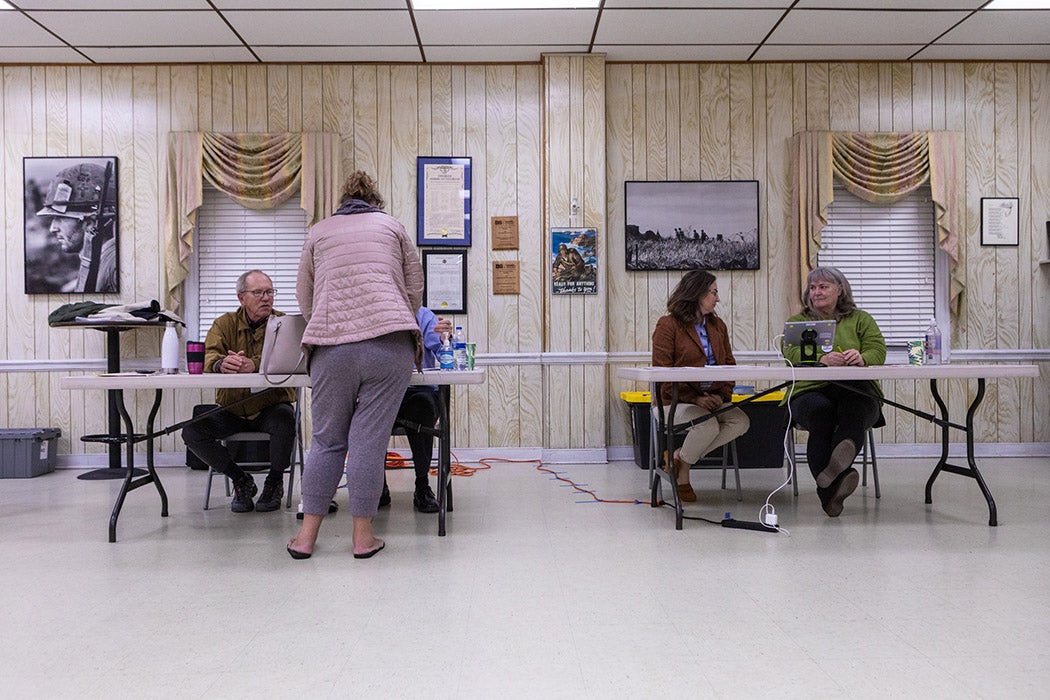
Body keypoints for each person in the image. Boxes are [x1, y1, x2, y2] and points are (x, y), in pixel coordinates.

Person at [287, 170, 424, 560]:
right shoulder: (393, 227)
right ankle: (363, 539)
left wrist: (330, 325)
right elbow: (414, 287)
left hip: (334, 348)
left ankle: (305, 538)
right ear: (374, 200)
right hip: (389, 344)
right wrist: (396, 317)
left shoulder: (319, 232)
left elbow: (305, 295)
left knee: (327, 442)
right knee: (368, 443)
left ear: (341, 201)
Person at [183, 270, 297, 513]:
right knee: (192, 431)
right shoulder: (224, 324)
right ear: (241, 298)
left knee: (285, 420)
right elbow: (208, 356)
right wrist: (220, 364)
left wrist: (254, 365)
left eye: (269, 292)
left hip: (270, 407)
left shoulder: (285, 324)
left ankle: (274, 482)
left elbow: (293, 360)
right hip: (232, 409)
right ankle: (240, 479)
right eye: (258, 292)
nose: (266, 298)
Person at [782, 266, 886, 517]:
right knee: (821, 414)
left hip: (855, 389)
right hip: (809, 390)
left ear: (840, 290)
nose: (816, 292)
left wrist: (861, 357)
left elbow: (878, 351)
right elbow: (790, 354)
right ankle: (838, 473)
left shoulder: (861, 319)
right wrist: (821, 359)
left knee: (854, 407)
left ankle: (831, 481)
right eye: (813, 287)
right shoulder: (798, 323)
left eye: (823, 286)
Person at [652, 270, 750, 502]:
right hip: (673, 402)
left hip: (711, 398)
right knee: (707, 426)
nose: (718, 298)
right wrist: (696, 399)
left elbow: (728, 365)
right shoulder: (668, 325)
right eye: (714, 292)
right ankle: (683, 472)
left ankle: (679, 459)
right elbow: (662, 374)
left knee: (741, 421)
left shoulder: (718, 326)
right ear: (697, 293)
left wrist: (720, 395)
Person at [379, 307, 452, 514]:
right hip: (384, 391)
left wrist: (444, 338)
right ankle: (377, 485)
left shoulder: (423, 315)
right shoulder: (373, 311)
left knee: (422, 406)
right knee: (371, 409)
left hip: (418, 391)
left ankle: (422, 485)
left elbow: (439, 346)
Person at [35, 162, 118, 293]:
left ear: (91, 222)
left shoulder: (112, 268)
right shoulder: (98, 261)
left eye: (60, 218)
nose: (53, 228)